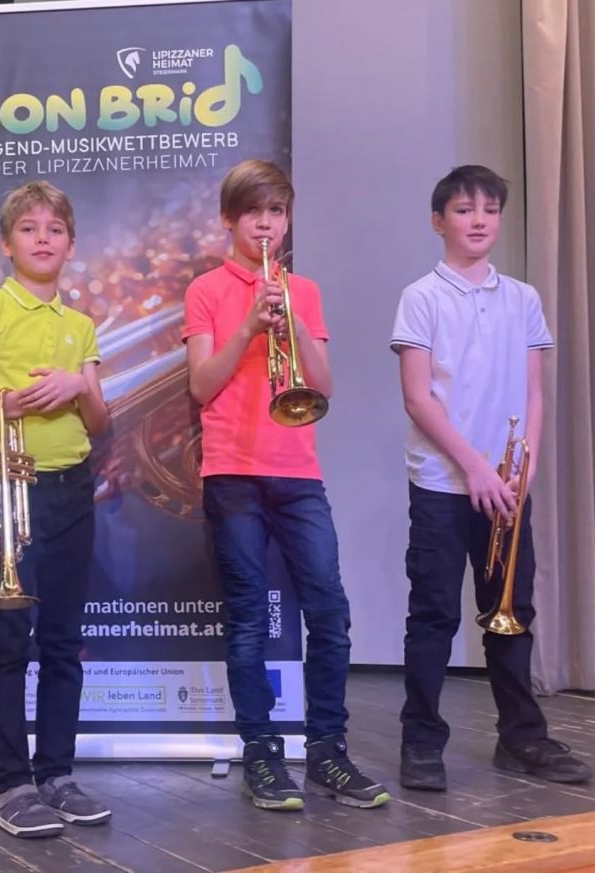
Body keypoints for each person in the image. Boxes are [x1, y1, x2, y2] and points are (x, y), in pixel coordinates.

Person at [183, 159, 389, 811]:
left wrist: (292, 318)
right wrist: (249, 325)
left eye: (276, 211)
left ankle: (327, 750)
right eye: (253, 211)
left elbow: (322, 385)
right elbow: (201, 385)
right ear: (229, 219)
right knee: (248, 618)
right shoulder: (205, 290)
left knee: (329, 611)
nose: (266, 223)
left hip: (297, 471)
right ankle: (263, 754)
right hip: (231, 472)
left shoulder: (305, 290)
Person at [391, 164, 592, 791]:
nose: (478, 220)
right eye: (463, 210)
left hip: (506, 487)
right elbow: (418, 398)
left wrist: (521, 471)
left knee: (512, 612)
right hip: (442, 483)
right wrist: (475, 467)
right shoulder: (421, 296)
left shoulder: (523, 298)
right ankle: (422, 742)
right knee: (432, 614)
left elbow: (533, 394)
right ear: (438, 222)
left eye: (489, 210)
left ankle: (521, 738)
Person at [0, 181, 112, 839]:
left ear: (71, 245)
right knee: (10, 638)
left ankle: (57, 774)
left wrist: (79, 387)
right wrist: (11, 402)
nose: (43, 238)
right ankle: (12, 783)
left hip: (72, 488)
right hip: (10, 490)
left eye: (55, 229)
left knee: (64, 641)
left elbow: (99, 421)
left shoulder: (81, 324)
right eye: (29, 228)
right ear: (6, 244)